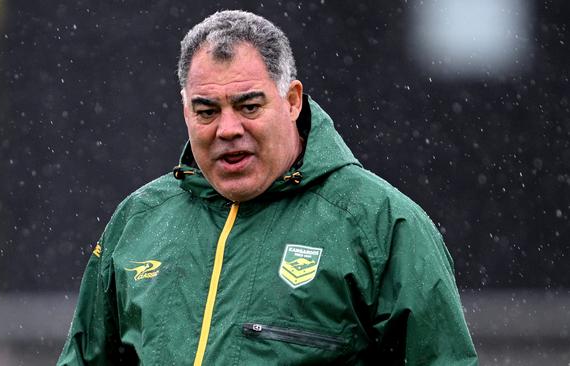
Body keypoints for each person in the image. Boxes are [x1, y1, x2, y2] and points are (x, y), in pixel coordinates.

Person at [57, 10, 478, 365]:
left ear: (292, 101)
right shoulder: (139, 220)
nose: (228, 129)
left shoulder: (382, 224)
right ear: (185, 110)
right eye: (206, 111)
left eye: (249, 106)